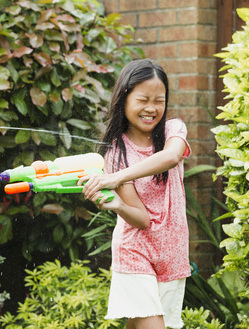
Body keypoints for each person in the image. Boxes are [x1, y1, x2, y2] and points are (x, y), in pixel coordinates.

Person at [78, 59, 192, 329]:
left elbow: (172, 156)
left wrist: (116, 178)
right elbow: (140, 219)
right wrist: (118, 205)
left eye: (159, 100)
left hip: (172, 252)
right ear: (125, 99)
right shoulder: (116, 152)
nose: (151, 108)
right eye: (143, 100)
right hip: (135, 252)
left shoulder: (172, 130)